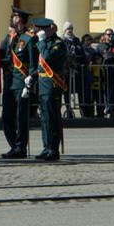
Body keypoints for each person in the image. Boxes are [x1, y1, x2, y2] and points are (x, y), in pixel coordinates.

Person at [1, 7, 36, 159]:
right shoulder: (13, 37)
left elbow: (35, 65)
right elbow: (8, 60)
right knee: (6, 117)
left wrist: (30, 83)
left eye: (13, 16)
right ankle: (14, 145)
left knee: (20, 117)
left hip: (21, 83)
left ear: (20, 19)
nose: (11, 18)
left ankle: (20, 148)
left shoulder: (29, 39)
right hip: (10, 83)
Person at [33, 18, 67, 161]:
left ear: (49, 29)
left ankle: (53, 149)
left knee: (52, 118)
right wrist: (32, 78)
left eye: (42, 30)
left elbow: (46, 58)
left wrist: (41, 42)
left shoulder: (58, 44)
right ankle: (46, 147)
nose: (39, 32)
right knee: (45, 119)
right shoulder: (45, 44)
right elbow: (41, 66)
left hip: (52, 85)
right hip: (42, 84)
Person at [99, 29, 114, 118]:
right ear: (105, 35)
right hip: (105, 73)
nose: (111, 36)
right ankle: (108, 110)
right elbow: (97, 58)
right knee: (107, 92)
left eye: (112, 34)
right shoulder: (101, 46)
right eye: (109, 34)